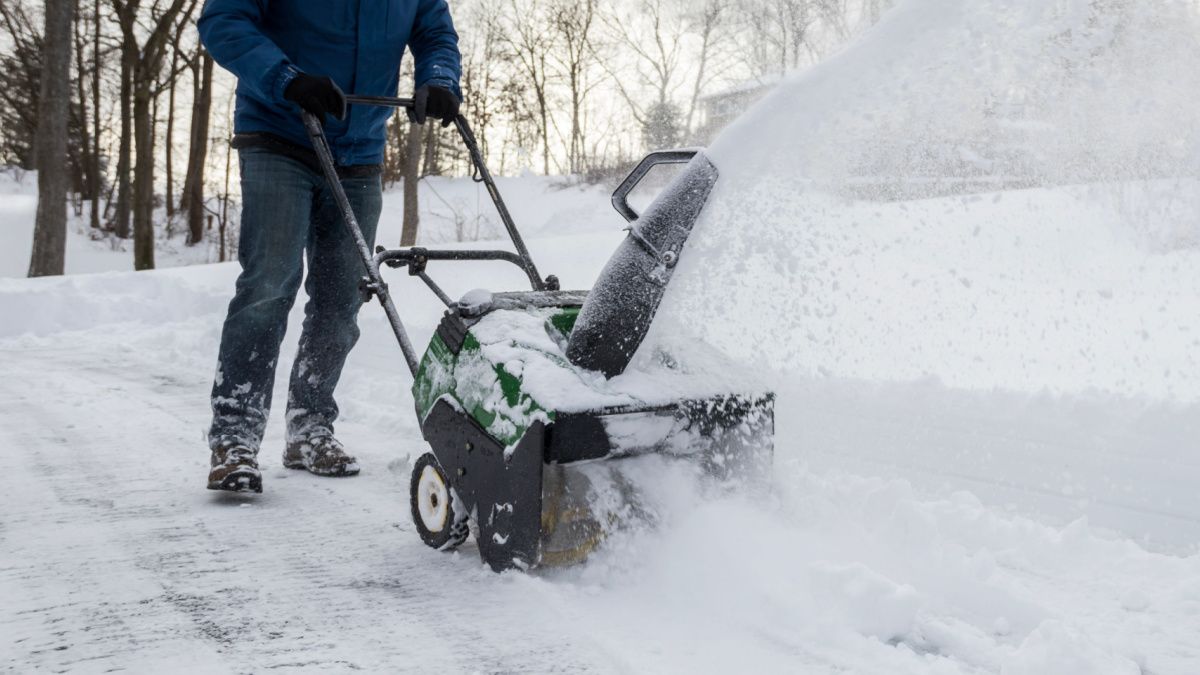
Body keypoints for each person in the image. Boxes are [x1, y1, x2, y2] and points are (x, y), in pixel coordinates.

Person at [198, 0, 462, 493]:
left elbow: (433, 32)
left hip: (359, 147)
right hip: (279, 131)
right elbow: (223, 20)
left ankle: (309, 424)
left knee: (343, 298)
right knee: (269, 285)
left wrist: (440, 78)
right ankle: (233, 438)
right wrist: (286, 77)